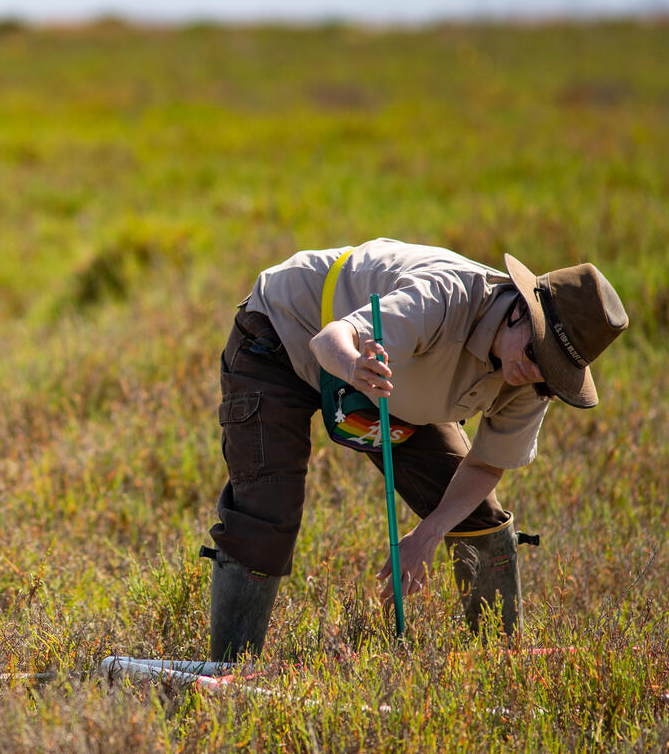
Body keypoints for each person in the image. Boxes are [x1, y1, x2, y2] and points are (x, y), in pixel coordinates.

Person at [204, 237, 629, 662]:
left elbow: (485, 465)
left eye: (552, 372)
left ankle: (500, 660)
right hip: (285, 335)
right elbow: (332, 338)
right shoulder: (443, 298)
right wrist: (356, 368)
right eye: (537, 352)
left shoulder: (534, 381)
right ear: (520, 311)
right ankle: (228, 669)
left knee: (475, 514)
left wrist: (426, 536)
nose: (532, 374)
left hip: (390, 379)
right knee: (268, 509)